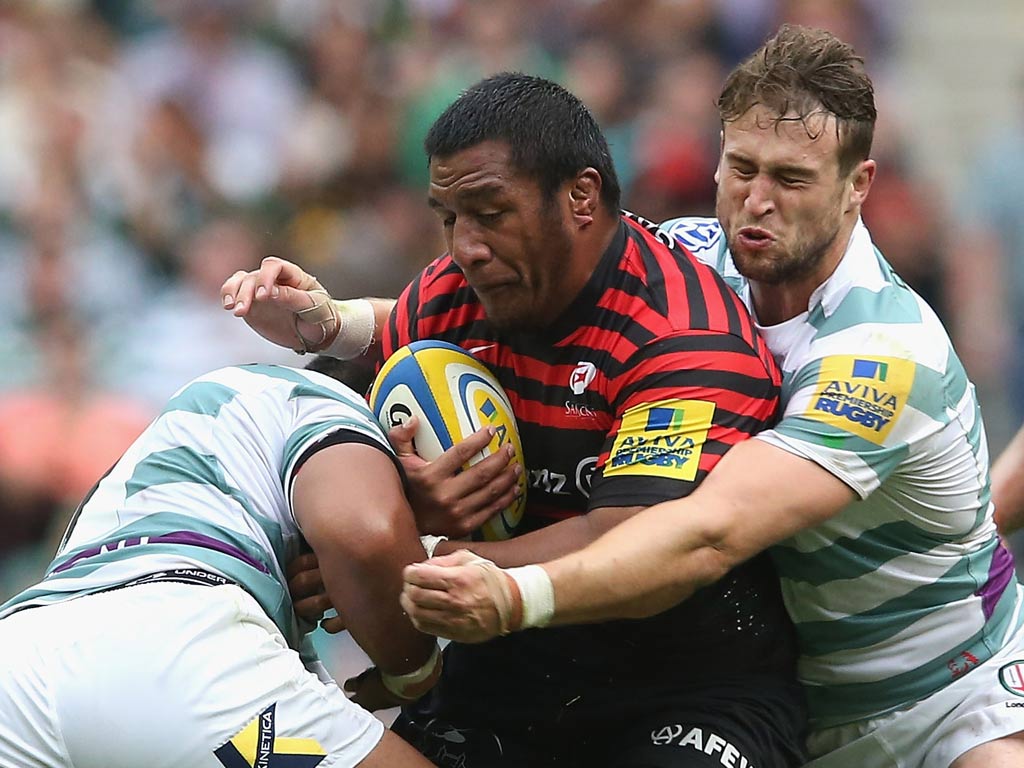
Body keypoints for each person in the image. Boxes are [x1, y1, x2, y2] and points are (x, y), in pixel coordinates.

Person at [397, 25, 1024, 768]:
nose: (756, 202)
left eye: (791, 179)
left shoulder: (879, 353)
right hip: (808, 706)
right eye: (741, 167)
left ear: (857, 187)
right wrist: (339, 322)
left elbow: (711, 532)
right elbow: (535, 287)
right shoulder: (694, 253)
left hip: (941, 698)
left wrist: (515, 596)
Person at [222, 73, 807, 766]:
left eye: (489, 211)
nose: (465, 245)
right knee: (256, 759)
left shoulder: (682, 341)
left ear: (581, 198)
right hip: (506, 681)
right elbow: (390, 357)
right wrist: (328, 331)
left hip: (686, 689)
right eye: (448, 217)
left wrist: (410, 562)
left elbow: (627, 545)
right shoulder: (460, 292)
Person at [0, 355, 440, 768]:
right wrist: (413, 672)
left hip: (20, 656)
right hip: (176, 655)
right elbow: (367, 536)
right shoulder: (329, 399)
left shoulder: (195, 426)